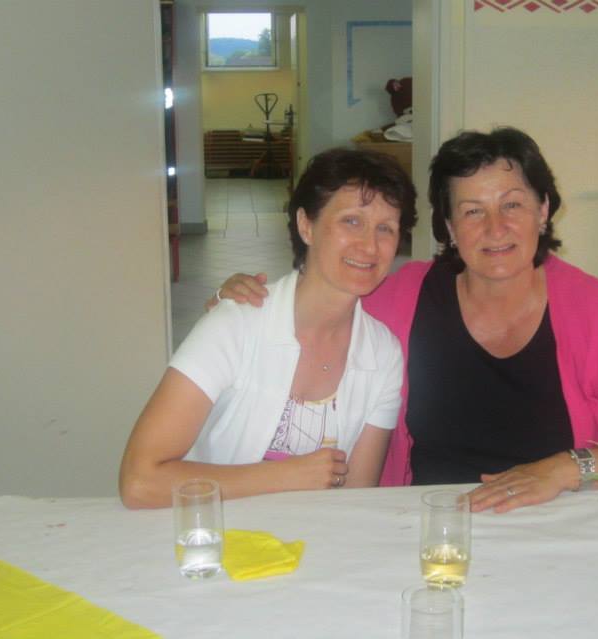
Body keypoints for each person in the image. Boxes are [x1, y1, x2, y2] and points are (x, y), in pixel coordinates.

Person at [213, 128, 598, 513]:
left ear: (543, 210)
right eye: (472, 211)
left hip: (554, 525)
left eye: (512, 205)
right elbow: (309, 314)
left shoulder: (592, 308)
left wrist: (563, 469)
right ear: (451, 228)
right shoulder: (402, 296)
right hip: (427, 524)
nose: (495, 228)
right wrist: (238, 300)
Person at [118, 148, 417, 509]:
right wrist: (284, 477)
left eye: (386, 228)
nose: (369, 245)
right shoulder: (236, 323)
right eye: (351, 221)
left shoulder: (384, 354)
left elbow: (356, 500)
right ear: (306, 225)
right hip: (215, 533)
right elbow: (139, 481)